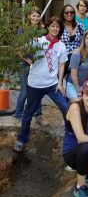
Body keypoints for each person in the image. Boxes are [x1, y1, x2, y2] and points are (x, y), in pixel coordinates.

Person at [14, 17, 69, 152]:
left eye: (58, 27)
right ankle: (22, 138)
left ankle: (70, 136)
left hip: (52, 84)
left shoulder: (61, 45)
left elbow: (62, 65)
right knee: (28, 112)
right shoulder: (38, 41)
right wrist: (29, 61)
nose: (55, 28)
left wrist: (60, 82)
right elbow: (20, 50)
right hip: (35, 84)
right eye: (53, 26)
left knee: (65, 107)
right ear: (48, 27)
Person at [14, 7, 48, 126]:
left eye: (38, 16)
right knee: (24, 91)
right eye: (33, 15)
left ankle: (38, 115)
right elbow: (18, 49)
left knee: (37, 90)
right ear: (29, 16)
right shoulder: (23, 29)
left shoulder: (42, 30)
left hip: (38, 64)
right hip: (25, 64)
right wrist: (29, 61)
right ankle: (18, 115)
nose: (36, 18)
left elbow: (45, 47)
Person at [64, 29, 88, 102]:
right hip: (71, 84)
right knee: (79, 102)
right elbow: (73, 75)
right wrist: (79, 91)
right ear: (84, 40)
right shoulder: (77, 54)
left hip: (83, 85)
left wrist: (87, 86)